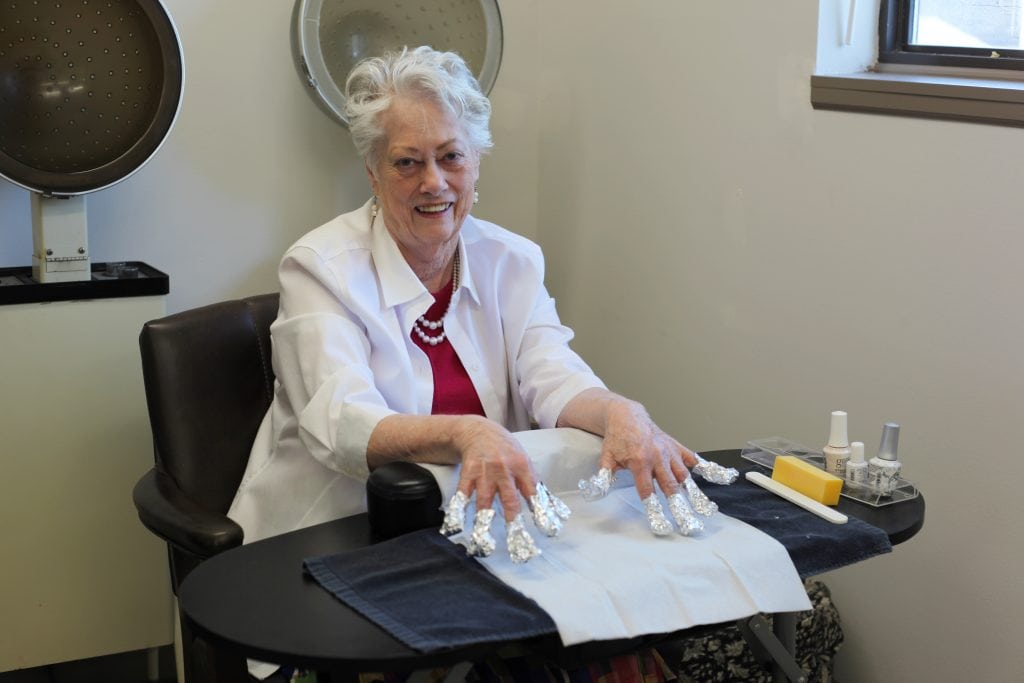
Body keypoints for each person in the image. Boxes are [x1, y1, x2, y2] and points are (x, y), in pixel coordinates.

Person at [226, 46, 812, 683]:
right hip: (335, 535)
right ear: (372, 172)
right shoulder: (320, 267)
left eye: (451, 156)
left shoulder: (514, 260)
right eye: (406, 162)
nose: (434, 182)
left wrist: (622, 411)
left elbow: (552, 375)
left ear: (476, 162)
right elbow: (342, 423)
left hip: (466, 531)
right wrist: (469, 432)